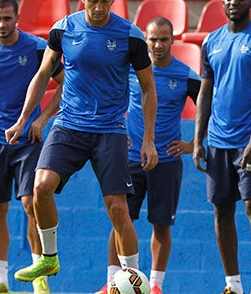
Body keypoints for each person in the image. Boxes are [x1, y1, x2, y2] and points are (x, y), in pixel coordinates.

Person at [5, 0, 158, 284]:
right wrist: (23, 119)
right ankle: (49, 258)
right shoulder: (63, 29)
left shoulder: (130, 35)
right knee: (40, 188)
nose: (99, 8)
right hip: (69, 124)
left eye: (105, 1)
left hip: (110, 129)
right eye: (92, 1)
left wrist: (148, 139)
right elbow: (44, 73)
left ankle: (131, 280)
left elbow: (147, 88)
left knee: (119, 209)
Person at [0, 0, 64, 294]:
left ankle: (39, 276)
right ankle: (0, 280)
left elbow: (65, 82)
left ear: (17, 18)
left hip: (28, 141)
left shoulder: (36, 48)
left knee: (31, 204)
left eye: (7, 18)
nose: (2, 23)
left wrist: (42, 119)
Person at [95, 17, 201, 294]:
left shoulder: (185, 75)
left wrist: (193, 144)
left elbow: (212, 106)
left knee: (161, 225)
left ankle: (155, 286)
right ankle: (112, 283)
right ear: (145, 39)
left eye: (164, 39)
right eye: (153, 39)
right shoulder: (130, 70)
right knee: (120, 218)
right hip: (129, 158)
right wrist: (117, 127)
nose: (158, 44)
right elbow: (105, 94)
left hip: (166, 161)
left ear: (173, 40)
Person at [193, 0, 251, 294]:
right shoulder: (211, 42)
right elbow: (205, 91)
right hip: (218, 141)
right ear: (222, 2)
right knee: (222, 209)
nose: (234, 2)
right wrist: (198, 139)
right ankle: (233, 284)